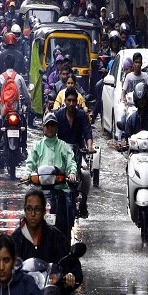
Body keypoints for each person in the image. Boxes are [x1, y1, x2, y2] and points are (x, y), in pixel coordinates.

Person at [11, 189, 84, 295]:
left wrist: (70, 278)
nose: (33, 214)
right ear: (24, 210)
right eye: (29, 209)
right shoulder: (15, 239)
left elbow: (74, 268)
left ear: (44, 211)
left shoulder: (56, 237)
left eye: (37, 209)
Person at [55, 88, 94, 218]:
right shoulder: (58, 115)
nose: (71, 103)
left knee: (86, 175)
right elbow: (52, 134)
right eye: (69, 100)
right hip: (61, 154)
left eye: (74, 101)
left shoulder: (82, 115)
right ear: (65, 101)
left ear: (77, 101)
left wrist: (89, 147)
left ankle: (83, 203)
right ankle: (52, 203)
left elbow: (88, 132)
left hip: (78, 151)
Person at [0, 54, 31, 166]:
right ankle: (23, 148)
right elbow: (27, 96)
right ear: (14, 64)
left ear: (4, 64)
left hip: (5, 113)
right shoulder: (19, 78)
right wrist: (28, 104)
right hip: (16, 112)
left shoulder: (1, 78)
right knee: (24, 127)